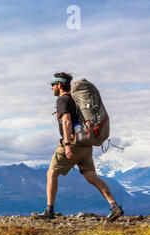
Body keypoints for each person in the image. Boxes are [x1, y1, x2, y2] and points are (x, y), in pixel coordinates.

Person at [35, 72, 124, 221]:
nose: (51, 88)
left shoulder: (63, 100)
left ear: (59, 85)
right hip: (85, 143)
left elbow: (67, 122)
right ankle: (114, 206)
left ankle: (49, 211)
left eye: (52, 85)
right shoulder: (75, 99)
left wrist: (67, 144)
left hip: (73, 142)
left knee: (52, 173)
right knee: (91, 175)